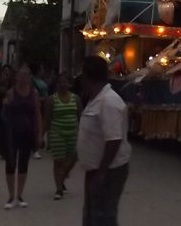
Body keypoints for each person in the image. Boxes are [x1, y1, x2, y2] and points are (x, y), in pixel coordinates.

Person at [77, 56, 131, 226]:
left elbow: (114, 140)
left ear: (87, 77)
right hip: (96, 168)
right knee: (92, 215)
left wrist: (101, 172)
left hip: (109, 170)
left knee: (103, 216)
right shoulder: (97, 98)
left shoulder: (109, 101)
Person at [2, 65, 42, 210]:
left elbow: (38, 114)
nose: (24, 77)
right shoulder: (11, 92)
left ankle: (19, 195)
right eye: (21, 74)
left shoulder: (34, 93)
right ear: (17, 76)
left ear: (30, 77)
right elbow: (4, 113)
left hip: (27, 131)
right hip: (12, 132)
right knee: (11, 163)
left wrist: (39, 134)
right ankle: (11, 195)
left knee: (24, 163)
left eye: (26, 75)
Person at [44, 73, 82, 200]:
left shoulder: (76, 98)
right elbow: (47, 119)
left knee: (73, 158)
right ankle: (59, 188)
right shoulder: (51, 100)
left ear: (69, 84)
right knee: (58, 161)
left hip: (73, 133)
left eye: (65, 82)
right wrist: (43, 135)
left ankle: (63, 176)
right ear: (57, 84)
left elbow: (80, 116)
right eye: (60, 82)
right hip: (57, 133)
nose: (63, 84)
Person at [30, 63, 49, 159]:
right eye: (41, 69)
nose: (43, 71)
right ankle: (35, 149)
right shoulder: (32, 80)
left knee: (41, 125)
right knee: (36, 126)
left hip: (43, 104)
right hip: (37, 104)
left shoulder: (41, 80)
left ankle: (37, 144)